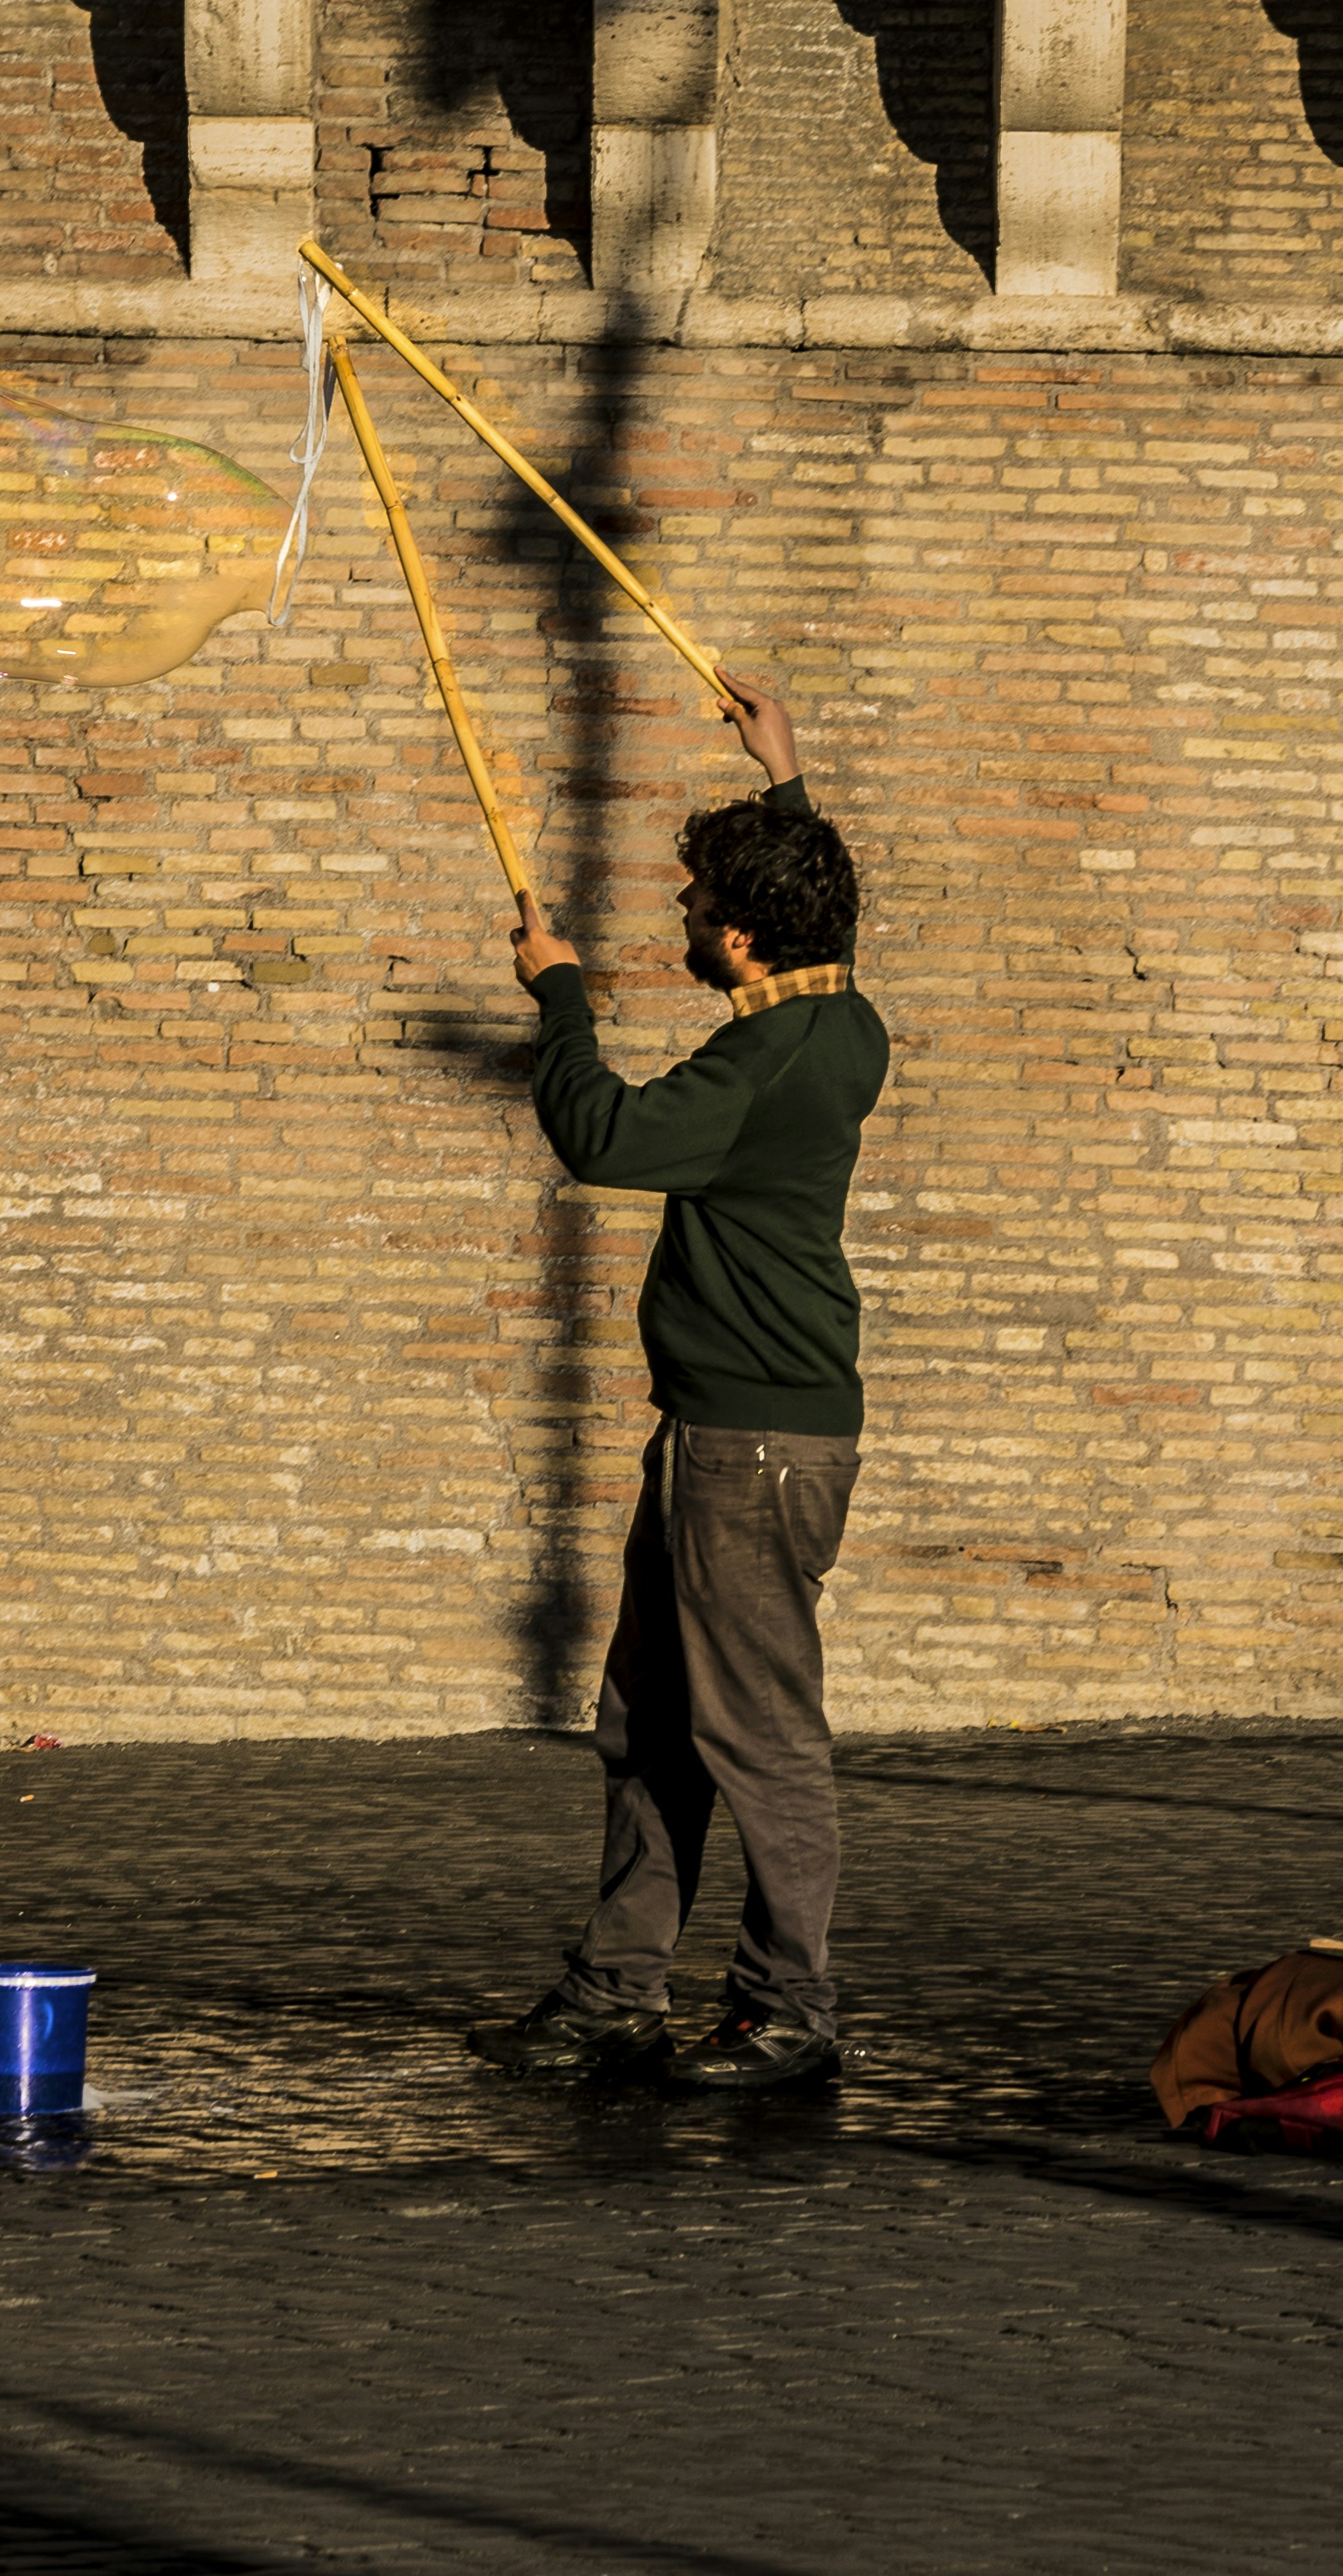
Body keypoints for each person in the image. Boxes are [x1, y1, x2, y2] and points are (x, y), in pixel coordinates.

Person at [472, 666, 886, 2097]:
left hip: (750, 1449)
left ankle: (791, 2009)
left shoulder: (763, 1060)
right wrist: (788, 776)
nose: (683, 924)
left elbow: (599, 1136)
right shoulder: (842, 1020)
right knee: (647, 1721)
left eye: (699, 909)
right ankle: (615, 1990)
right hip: (726, 1435)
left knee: (759, 1735)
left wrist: (561, 994)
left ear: (745, 938)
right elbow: (820, 908)